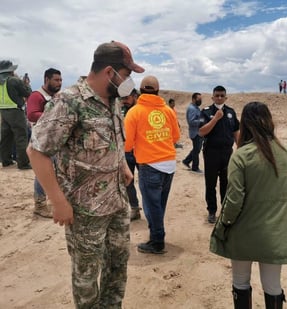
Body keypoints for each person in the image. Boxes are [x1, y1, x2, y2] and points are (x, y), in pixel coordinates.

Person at [26, 40, 144, 308]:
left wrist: (122, 166)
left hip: (116, 204)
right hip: (84, 212)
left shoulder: (112, 100)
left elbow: (112, 139)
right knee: (86, 278)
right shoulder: (69, 102)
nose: (128, 82)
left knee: (117, 269)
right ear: (109, 72)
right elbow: (36, 151)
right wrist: (58, 202)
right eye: (126, 75)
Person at [210, 101, 287, 309]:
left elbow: (233, 201)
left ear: (244, 124)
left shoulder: (241, 155)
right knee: (273, 285)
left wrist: (223, 225)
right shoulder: (286, 153)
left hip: (244, 233)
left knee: (240, 282)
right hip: (277, 234)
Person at [124, 75, 180, 254]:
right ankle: (155, 235)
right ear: (158, 91)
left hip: (150, 165)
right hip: (169, 164)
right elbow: (176, 137)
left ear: (140, 91)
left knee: (151, 205)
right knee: (159, 205)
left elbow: (126, 144)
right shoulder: (168, 111)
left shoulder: (134, 112)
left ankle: (157, 241)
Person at [199, 85, 239, 224]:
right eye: (217, 95)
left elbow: (236, 132)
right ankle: (211, 210)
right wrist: (215, 119)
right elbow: (202, 132)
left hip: (227, 153)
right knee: (210, 183)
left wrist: (240, 148)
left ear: (226, 97)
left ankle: (225, 210)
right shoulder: (206, 112)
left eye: (222, 95)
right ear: (212, 97)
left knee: (226, 183)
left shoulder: (231, 112)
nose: (220, 98)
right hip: (211, 153)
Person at [26, 68, 62, 218]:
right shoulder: (37, 96)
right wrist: (56, 116)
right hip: (41, 141)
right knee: (43, 172)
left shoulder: (56, 96)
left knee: (58, 170)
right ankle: (40, 204)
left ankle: (55, 200)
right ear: (46, 80)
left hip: (54, 140)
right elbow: (32, 114)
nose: (59, 83)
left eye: (60, 80)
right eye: (56, 80)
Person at [0, 60, 32, 169]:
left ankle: (6, 160)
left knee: (6, 137)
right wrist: (25, 83)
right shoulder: (14, 80)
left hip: (3, 112)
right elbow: (27, 92)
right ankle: (23, 163)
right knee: (21, 137)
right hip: (15, 111)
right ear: (10, 70)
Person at [120, 88, 141, 221]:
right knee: (128, 181)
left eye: (126, 98)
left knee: (145, 183)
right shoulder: (122, 109)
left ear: (134, 96)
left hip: (140, 152)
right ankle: (134, 208)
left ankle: (151, 210)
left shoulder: (141, 110)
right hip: (126, 152)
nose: (124, 101)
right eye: (122, 99)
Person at [182, 92, 203, 173]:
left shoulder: (196, 108)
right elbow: (191, 121)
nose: (200, 100)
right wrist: (201, 121)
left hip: (198, 132)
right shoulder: (192, 109)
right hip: (195, 133)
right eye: (199, 99)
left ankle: (186, 161)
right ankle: (195, 167)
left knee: (196, 149)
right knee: (196, 150)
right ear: (194, 99)